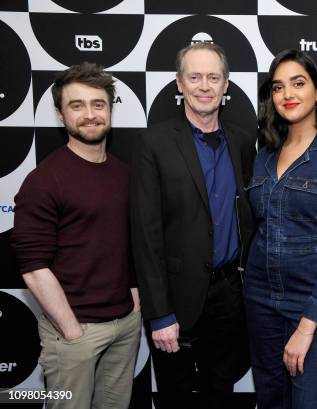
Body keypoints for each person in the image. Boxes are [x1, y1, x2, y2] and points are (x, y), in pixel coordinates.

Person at [130, 42, 256, 408]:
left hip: (229, 295)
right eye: (195, 77)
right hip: (175, 299)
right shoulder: (152, 144)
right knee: (175, 397)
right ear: (179, 84)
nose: (205, 86)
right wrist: (159, 314)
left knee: (222, 391)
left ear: (226, 85)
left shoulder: (243, 143)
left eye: (213, 77)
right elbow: (145, 234)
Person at [11, 62, 141, 409]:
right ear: (60, 114)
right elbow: (33, 266)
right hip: (75, 332)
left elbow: (128, 246)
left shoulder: (123, 173)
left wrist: (134, 305)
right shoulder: (44, 180)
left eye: (98, 104)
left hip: (124, 326)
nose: (90, 115)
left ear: (110, 109)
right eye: (77, 105)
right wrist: (71, 330)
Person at [244, 49, 317, 409]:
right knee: (270, 401)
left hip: (316, 305)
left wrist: (308, 324)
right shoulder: (265, 153)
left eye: (298, 83)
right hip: (260, 299)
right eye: (279, 87)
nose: (288, 94)